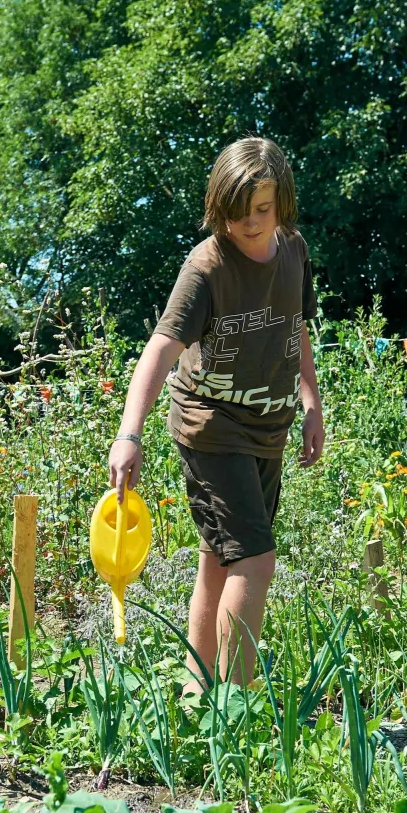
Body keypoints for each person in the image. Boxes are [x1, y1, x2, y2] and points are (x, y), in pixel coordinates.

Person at [107, 136, 324, 691]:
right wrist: (129, 434)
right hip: (210, 425)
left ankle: (195, 688)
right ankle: (233, 705)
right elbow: (160, 348)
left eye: (262, 209)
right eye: (236, 211)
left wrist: (310, 402)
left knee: (220, 560)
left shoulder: (294, 251)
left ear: (283, 205)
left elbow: (296, 329)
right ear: (218, 207)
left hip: (268, 428)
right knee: (255, 561)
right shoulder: (206, 266)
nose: (250, 223)